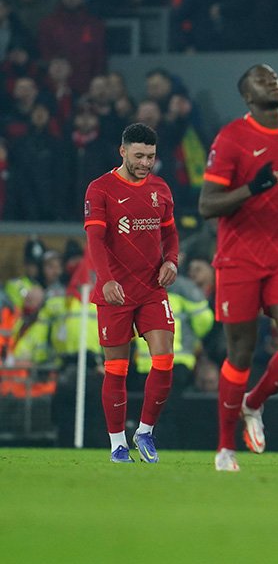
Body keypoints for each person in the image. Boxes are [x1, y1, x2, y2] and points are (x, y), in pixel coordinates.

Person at [199, 64, 278, 473]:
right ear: (248, 96)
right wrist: (252, 189)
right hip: (239, 257)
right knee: (241, 352)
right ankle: (224, 447)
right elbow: (207, 205)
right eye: (260, 79)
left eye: (274, 76)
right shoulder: (232, 138)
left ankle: (254, 402)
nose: (271, 81)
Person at [83, 123, 179, 464]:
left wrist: (173, 261)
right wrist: (106, 279)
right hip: (116, 292)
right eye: (139, 155)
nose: (145, 163)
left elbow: (170, 234)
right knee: (117, 369)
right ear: (122, 152)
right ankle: (117, 444)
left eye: (151, 156)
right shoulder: (101, 189)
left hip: (152, 288)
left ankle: (145, 431)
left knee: (165, 359)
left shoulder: (161, 189)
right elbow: (94, 240)